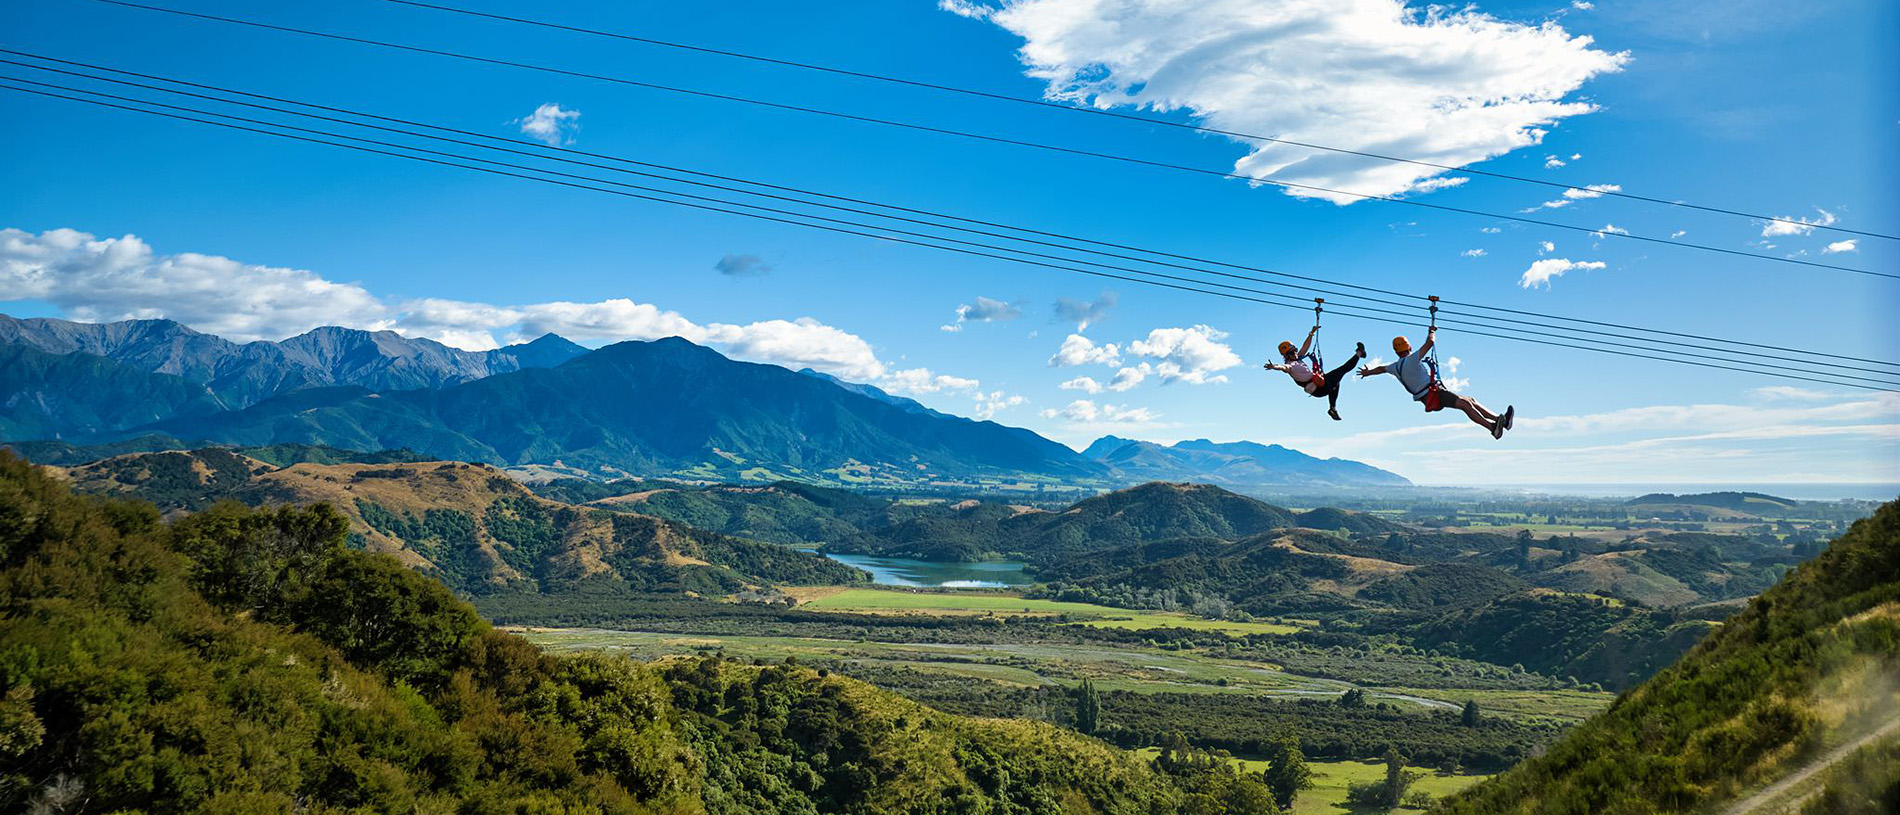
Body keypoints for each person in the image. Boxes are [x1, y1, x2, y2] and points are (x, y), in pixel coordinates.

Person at [1359, 327, 1515, 438]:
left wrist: (1367, 372)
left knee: (1469, 400)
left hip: (1427, 397)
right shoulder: (1412, 360)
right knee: (1464, 404)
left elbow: (1381, 369)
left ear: (1395, 351)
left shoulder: (1395, 367)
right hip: (1433, 393)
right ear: (1409, 346)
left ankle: (1501, 421)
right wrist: (1432, 332)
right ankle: (1493, 428)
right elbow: (1429, 343)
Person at [1263, 324, 1366, 421]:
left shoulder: (1297, 359)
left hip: (1319, 385)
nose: (1295, 353)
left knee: (1336, 382)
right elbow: (1283, 367)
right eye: (1291, 352)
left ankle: (1332, 409)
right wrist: (1274, 366)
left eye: (1295, 350)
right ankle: (1359, 353)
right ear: (1286, 356)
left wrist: (1311, 333)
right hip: (1318, 389)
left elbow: (1305, 347)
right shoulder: (1291, 366)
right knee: (1341, 371)